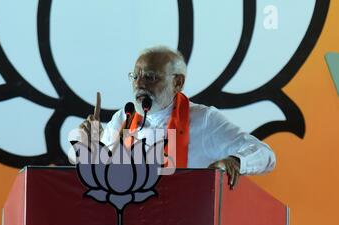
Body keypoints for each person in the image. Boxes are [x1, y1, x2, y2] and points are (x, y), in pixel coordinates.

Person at [79, 46, 276, 189]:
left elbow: (265, 154)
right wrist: (93, 146)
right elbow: (103, 178)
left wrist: (236, 161)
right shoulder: (125, 117)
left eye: (150, 77)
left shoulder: (204, 119)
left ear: (177, 82)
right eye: (135, 76)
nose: (139, 84)